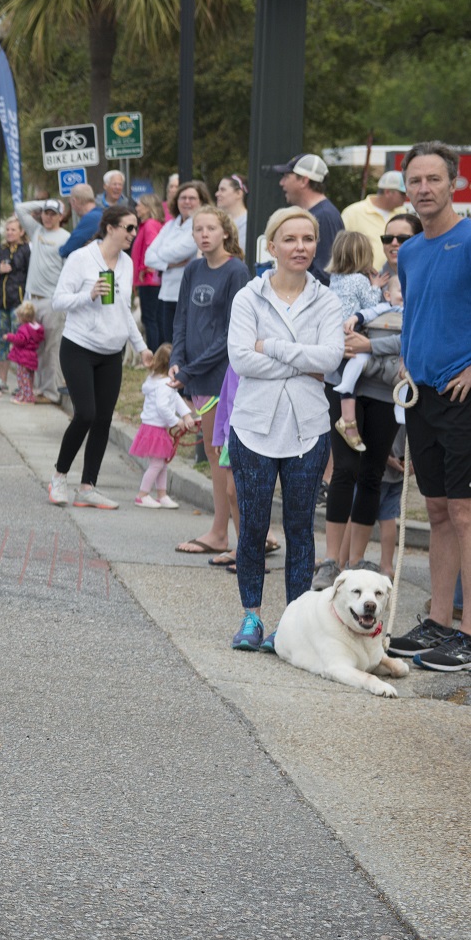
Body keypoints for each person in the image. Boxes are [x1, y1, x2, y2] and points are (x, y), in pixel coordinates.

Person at [226, 206, 344, 650]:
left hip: (308, 429)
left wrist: (271, 347)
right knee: (253, 526)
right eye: (290, 239)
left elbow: (330, 359)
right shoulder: (248, 297)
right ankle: (252, 618)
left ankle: (292, 626)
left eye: (308, 239)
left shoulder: (327, 299)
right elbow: (241, 360)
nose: (300, 248)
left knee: (299, 529)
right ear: (271, 246)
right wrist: (301, 362)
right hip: (254, 427)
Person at [387, 142, 471, 667]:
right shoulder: (412, 250)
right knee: (438, 510)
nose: (423, 189)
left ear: (454, 182)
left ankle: (467, 632)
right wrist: (404, 358)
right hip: (420, 396)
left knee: (465, 513)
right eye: (414, 180)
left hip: (462, 396)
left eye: (433, 179)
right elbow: (418, 316)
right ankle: (440, 622)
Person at [316, 224, 406, 590]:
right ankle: (331, 560)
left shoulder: (413, 283)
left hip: (385, 388)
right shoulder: (369, 284)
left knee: (371, 474)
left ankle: (354, 561)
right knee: (345, 470)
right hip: (347, 383)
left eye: (403, 238)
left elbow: (411, 334)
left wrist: (370, 346)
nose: (395, 244)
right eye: (388, 238)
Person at [47, 205, 148, 509]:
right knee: (85, 414)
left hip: (111, 352)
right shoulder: (81, 258)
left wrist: (141, 347)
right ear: (110, 228)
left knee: (103, 419)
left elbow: (124, 311)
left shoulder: (127, 263)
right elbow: (59, 300)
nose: (133, 233)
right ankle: (59, 477)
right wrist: (88, 294)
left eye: (135, 228)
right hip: (79, 346)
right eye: (128, 228)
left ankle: (88, 487)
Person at [170, 206, 251, 563]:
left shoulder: (236, 270)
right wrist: (176, 360)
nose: (203, 234)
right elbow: (182, 319)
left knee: (225, 457)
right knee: (213, 453)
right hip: (195, 374)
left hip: (222, 376)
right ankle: (224, 531)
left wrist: (190, 370)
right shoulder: (192, 268)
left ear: (225, 232)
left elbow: (232, 333)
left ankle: (231, 534)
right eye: (197, 229)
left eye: (210, 229)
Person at [322, 231, 387, 454]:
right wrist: (376, 286)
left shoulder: (335, 278)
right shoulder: (359, 280)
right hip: (351, 333)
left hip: (333, 333)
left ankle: (348, 420)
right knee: (351, 377)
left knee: (345, 375)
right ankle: (348, 421)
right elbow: (371, 306)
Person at [16, 198, 70, 402]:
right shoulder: (36, 231)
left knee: (51, 347)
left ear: (60, 216)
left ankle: (52, 391)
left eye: (53, 213)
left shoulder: (65, 238)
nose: (48, 217)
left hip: (51, 300)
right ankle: (38, 387)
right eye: (45, 213)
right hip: (31, 300)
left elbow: (68, 271)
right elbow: (20, 209)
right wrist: (42, 204)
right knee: (33, 346)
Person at [145, 179, 211, 344]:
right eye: (183, 197)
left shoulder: (200, 226)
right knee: (167, 342)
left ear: (202, 201)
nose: (186, 202)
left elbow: (180, 251)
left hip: (187, 295)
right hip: (166, 294)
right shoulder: (169, 225)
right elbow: (148, 257)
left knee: (183, 343)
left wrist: (162, 256)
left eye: (192, 198)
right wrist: (168, 264)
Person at [131, 345, 196, 508]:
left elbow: (175, 399)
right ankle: (142, 495)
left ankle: (162, 494)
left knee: (162, 464)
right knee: (157, 464)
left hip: (152, 428)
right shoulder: (166, 384)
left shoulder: (154, 380)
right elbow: (163, 406)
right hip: (156, 429)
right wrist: (177, 421)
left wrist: (186, 415)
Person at [273, 154, 342, 284]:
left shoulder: (325, 216)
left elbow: (325, 273)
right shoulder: (320, 213)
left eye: (286, 177)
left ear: (304, 181)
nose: (281, 183)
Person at [0, 216, 29, 397]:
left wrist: (13, 266)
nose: (9, 233)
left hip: (18, 303)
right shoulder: (0, 250)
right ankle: (2, 381)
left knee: (19, 343)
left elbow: (28, 273)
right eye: (7, 230)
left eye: (13, 230)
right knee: (3, 341)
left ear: (21, 232)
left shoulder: (26, 251)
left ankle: (22, 383)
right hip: (1, 302)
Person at [132, 193, 167, 350]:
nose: (136, 208)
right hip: (148, 278)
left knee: (150, 319)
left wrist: (144, 268)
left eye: (139, 204)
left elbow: (152, 247)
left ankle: (154, 353)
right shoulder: (147, 225)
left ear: (147, 207)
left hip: (149, 278)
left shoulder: (150, 225)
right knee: (154, 318)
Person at [342, 170, 410, 250]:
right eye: (402, 193)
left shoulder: (402, 213)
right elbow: (340, 248)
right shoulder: (352, 213)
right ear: (387, 192)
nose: (406, 197)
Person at [5, 302, 45, 405]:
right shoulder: (36, 329)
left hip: (23, 357)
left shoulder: (24, 328)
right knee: (30, 378)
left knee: (22, 377)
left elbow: (20, 340)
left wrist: (9, 337)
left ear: (22, 318)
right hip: (32, 356)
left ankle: (26, 397)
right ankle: (26, 394)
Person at [57, 183, 102, 257]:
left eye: (70, 203)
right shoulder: (102, 213)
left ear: (74, 201)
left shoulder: (90, 219)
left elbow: (67, 250)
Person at [216, 174, 251, 251]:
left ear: (238, 193)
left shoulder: (248, 223)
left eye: (222, 190)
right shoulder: (218, 220)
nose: (217, 194)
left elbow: (238, 252)